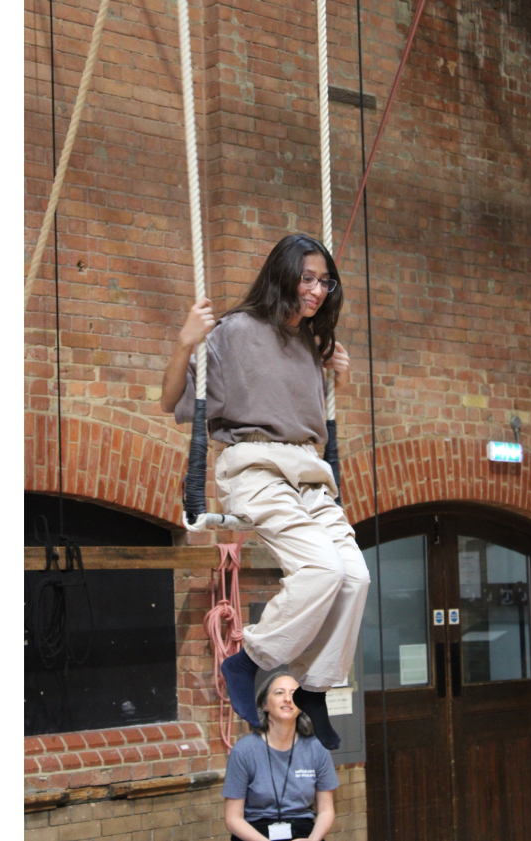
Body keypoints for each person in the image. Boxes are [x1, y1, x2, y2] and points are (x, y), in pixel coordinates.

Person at [162, 234, 368, 750]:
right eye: (307, 278)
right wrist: (186, 341)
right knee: (321, 568)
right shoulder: (235, 331)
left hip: (308, 472)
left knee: (355, 576)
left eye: (324, 281)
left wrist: (335, 379)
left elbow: (309, 421)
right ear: (283, 275)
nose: (317, 291)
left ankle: (315, 687)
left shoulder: (310, 347)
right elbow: (170, 401)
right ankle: (248, 660)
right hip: (254, 464)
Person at [223, 670, 338, 841]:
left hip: (303, 830)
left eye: (294, 694)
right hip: (255, 832)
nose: (287, 699)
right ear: (265, 704)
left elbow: (326, 810)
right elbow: (233, 819)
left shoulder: (317, 748)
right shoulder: (243, 751)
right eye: (279, 693)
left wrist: (312, 840)